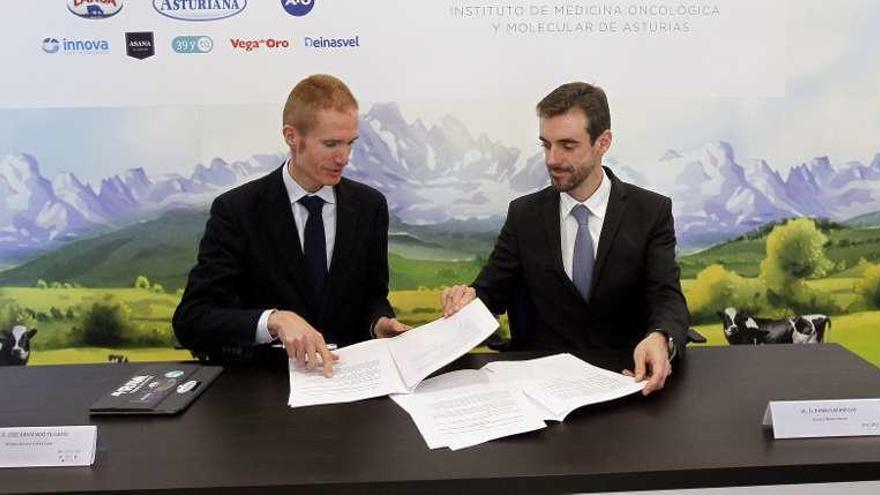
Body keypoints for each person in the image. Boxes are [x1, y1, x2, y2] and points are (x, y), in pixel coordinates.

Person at [441, 82, 688, 395]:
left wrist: (660, 336)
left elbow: (667, 297)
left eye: (567, 146)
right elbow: (490, 293)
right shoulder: (524, 215)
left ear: (603, 142)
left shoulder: (651, 211)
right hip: (541, 391)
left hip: (627, 382)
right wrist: (467, 299)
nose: (552, 159)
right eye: (546, 145)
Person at [173, 74, 409, 376]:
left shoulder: (369, 206)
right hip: (265, 391)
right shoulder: (237, 210)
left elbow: (372, 296)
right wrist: (273, 320)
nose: (344, 157)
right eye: (331, 144)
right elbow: (192, 319)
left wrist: (379, 323)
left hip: (350, 384)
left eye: (350, 143)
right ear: (291, 136)